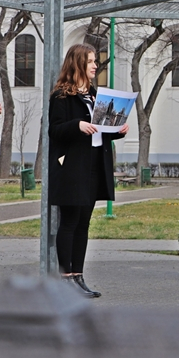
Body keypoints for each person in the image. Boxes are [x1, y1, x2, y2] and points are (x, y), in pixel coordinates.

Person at [49, 44, 128, 298]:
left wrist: (117, 132)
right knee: (69, 222)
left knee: (84, 223)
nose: (96, 65)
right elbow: (55, 130)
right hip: (72, 166)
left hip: (94, 165)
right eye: (91, 61)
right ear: (77, 64)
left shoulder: (94, 95)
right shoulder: (61, 95)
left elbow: (98, 131)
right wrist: (78, 124)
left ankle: (78, 277)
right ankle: (65, 279)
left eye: (95, 61)